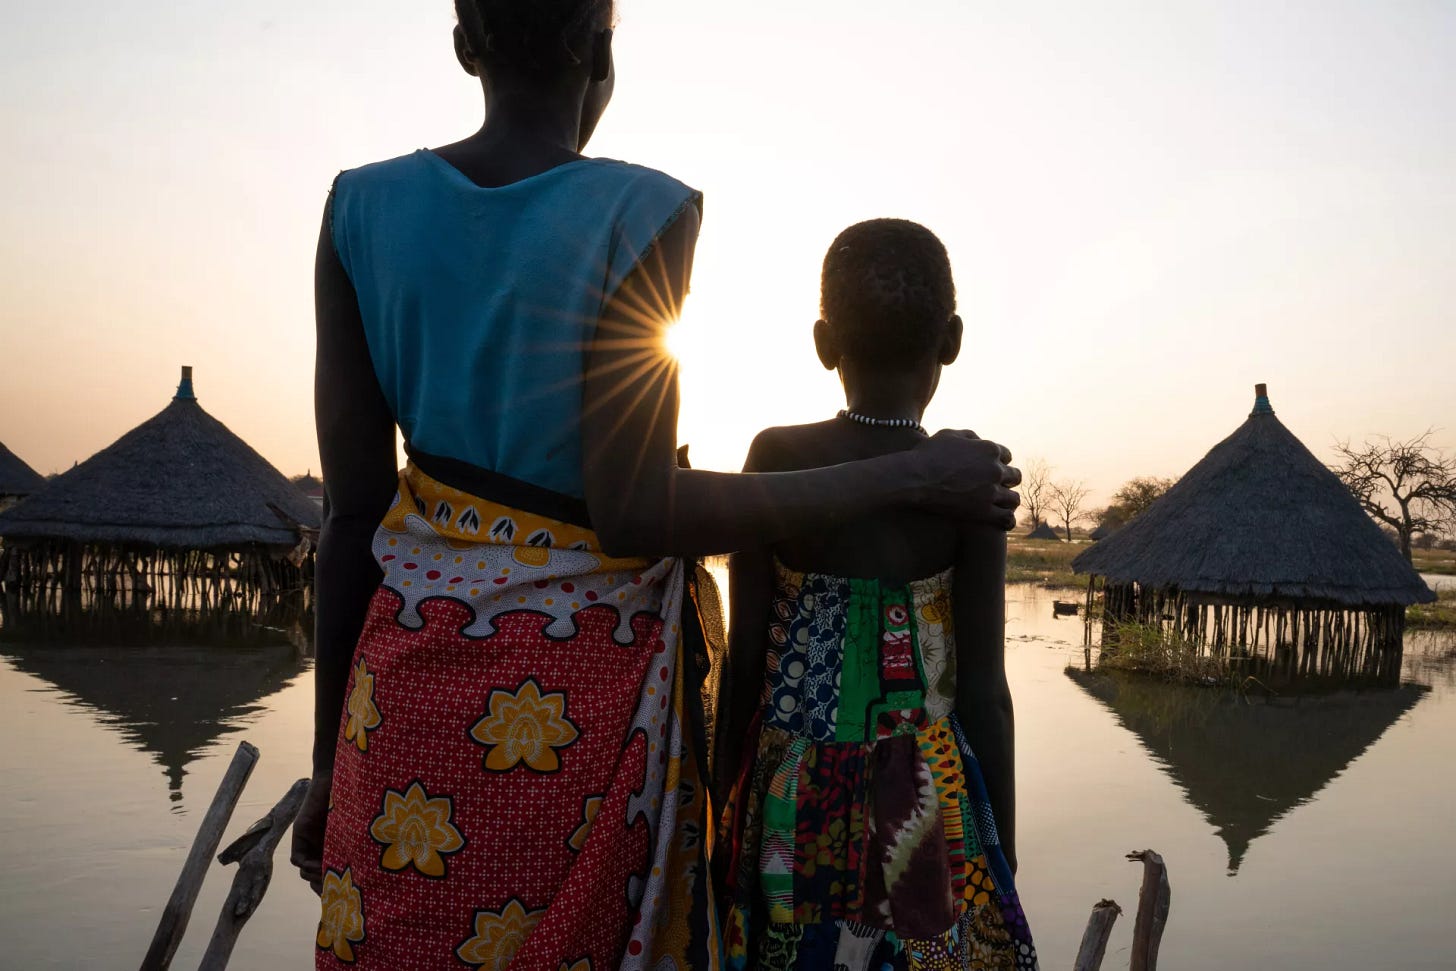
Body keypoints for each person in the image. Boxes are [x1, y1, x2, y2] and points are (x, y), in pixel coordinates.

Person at [290, 2, 1022, 967]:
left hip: (404, 704)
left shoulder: (358, 207)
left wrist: (324, 764)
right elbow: (635, 511)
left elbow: (352, 519)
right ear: (598, 46)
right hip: (575, 717)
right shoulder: (647, 211)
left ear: (465, 44)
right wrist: (914, 467)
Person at [714, 220, 1038, 970]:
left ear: (825, 343)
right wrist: (1002, 853)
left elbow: (741, 666)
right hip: (925, 809)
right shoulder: (969, 481)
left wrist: (723, 815)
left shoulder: (778, 456)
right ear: (952, 339)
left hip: (794, 797)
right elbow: (985, 694)